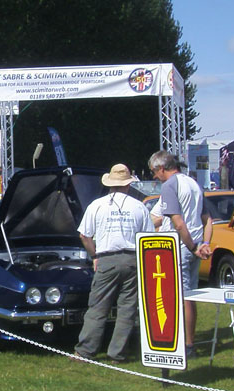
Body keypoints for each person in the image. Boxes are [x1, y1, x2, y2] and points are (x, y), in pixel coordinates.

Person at [73, 164, 155, 363]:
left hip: (106, 258)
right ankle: (117, 353)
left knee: (98, 307)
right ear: (128, 184)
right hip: (132, 259)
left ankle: (85, 351)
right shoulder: (139, 206)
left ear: (110, 184)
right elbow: (149, 237)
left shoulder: (97, 205)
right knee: (127, 308)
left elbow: (84, 235)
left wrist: (95, 256)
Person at [148, 151, 213, 358]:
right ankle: (186, 341)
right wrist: (204, 243)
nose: (154, 177)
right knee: (189, 295)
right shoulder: (194, 183)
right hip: (191, 245)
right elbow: (207, 220)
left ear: (161, 168)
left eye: (154, 172)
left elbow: (178, 223)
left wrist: (193, 246)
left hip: (178, 247)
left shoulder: (169, 185)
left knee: (180, 297)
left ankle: (186, 345)